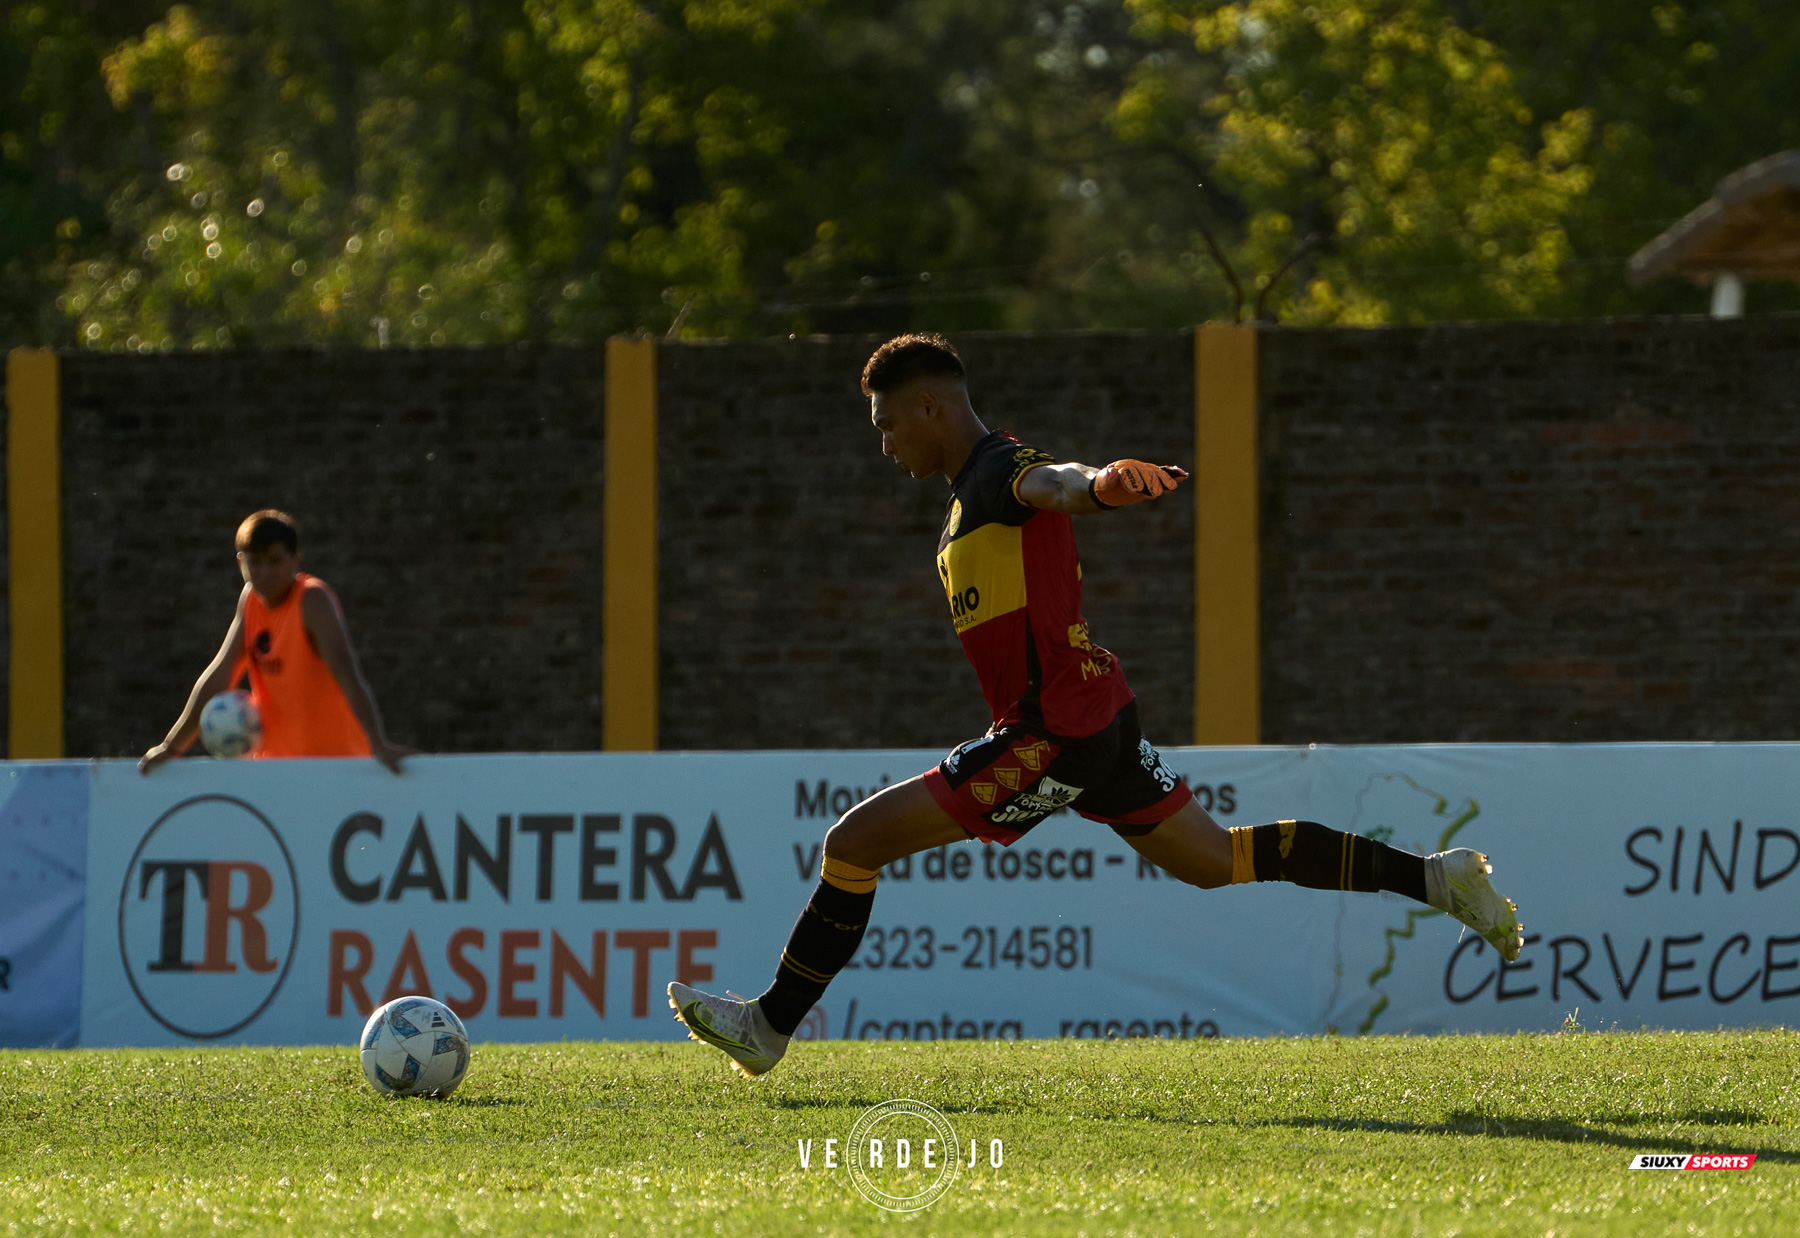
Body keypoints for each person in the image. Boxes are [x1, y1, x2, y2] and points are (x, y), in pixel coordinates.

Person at [668, 334, 1523, 1076]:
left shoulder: (1002, 468)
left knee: (849, 845)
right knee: (1214, 859)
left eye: (887, 425)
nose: (883, 444)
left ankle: (768, 1027)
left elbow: (1059, 484)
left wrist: (1105, 485)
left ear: (928, 408)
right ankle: (1438, 881)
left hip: (1050, 734)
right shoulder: (971, 492)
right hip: (1100, 721)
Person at [139, 509, 411, 774]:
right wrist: (171, 747)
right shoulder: (250, 601)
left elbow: (348, 675)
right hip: (276, 772)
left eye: (275, 561)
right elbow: (220, 675)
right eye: (255, 562)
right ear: (240, 562)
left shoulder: (313, 601)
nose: (265, 572)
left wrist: (378, 743)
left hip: (336, 768)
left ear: (296, 560)